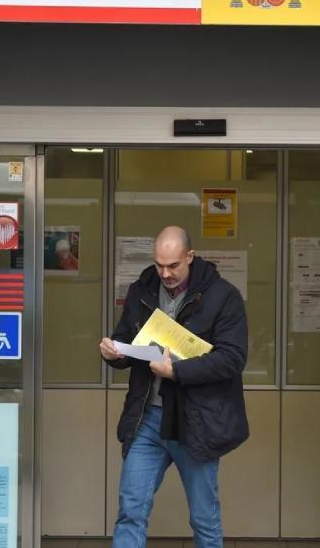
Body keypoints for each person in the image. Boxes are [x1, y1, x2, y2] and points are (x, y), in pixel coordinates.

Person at [99, 225, 249, 548]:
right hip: (147, 419)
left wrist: (176, 371)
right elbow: (127, 339)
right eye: (159, 265)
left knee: (204, 519)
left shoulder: (223, 297)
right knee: (131, 511)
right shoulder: (142, 290)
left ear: (190, 257)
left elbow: (232, 359)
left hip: (194, 422)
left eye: (173, 265)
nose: (165, 273)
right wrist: (114, 352)